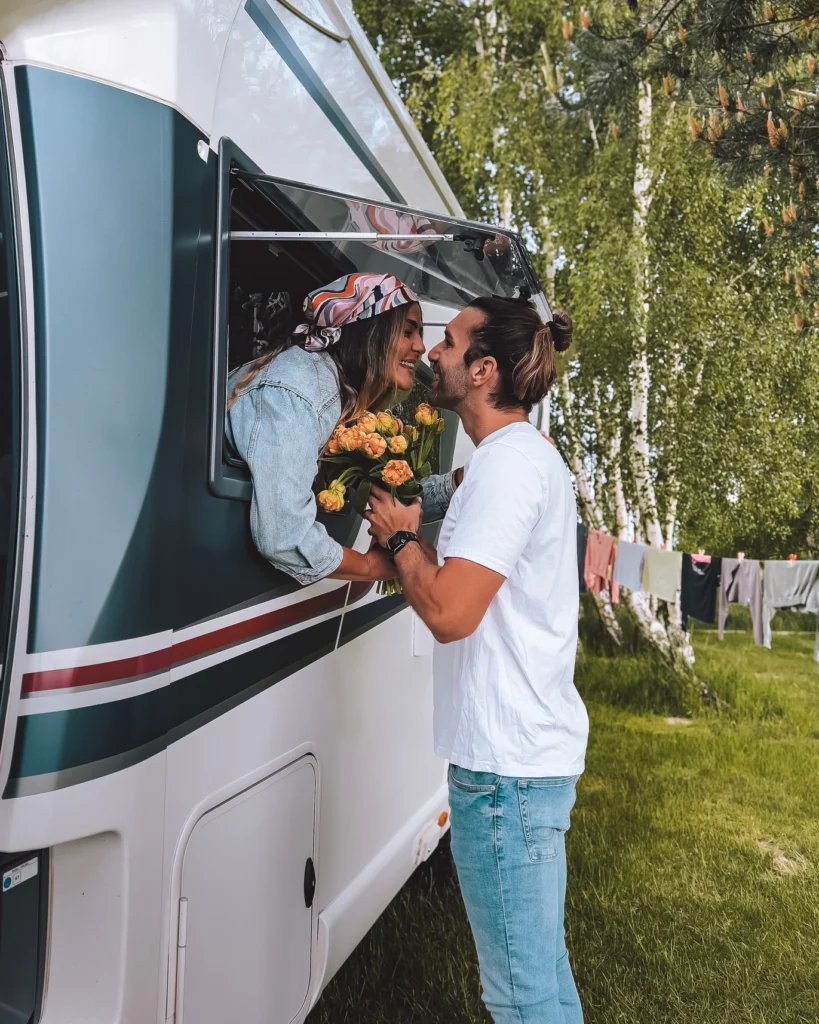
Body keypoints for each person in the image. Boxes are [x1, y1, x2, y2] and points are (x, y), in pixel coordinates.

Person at [365, 295, 585, 1024]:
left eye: (450, 342)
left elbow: (451, 614)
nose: (432, 350)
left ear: (483, 370)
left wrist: (399, 541)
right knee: (542, 980)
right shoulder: (507, 461)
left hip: (505, 774)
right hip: (520, 763)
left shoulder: (508, 469)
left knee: (519, 999)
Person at [226, 272, 456, 585]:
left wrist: (458, 483)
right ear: (370, 331)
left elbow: (384, 498)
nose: (420, 346)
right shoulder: (298, 391)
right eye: (407, 331)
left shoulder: (339, 396)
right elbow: (285, 535)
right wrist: (373, 567)